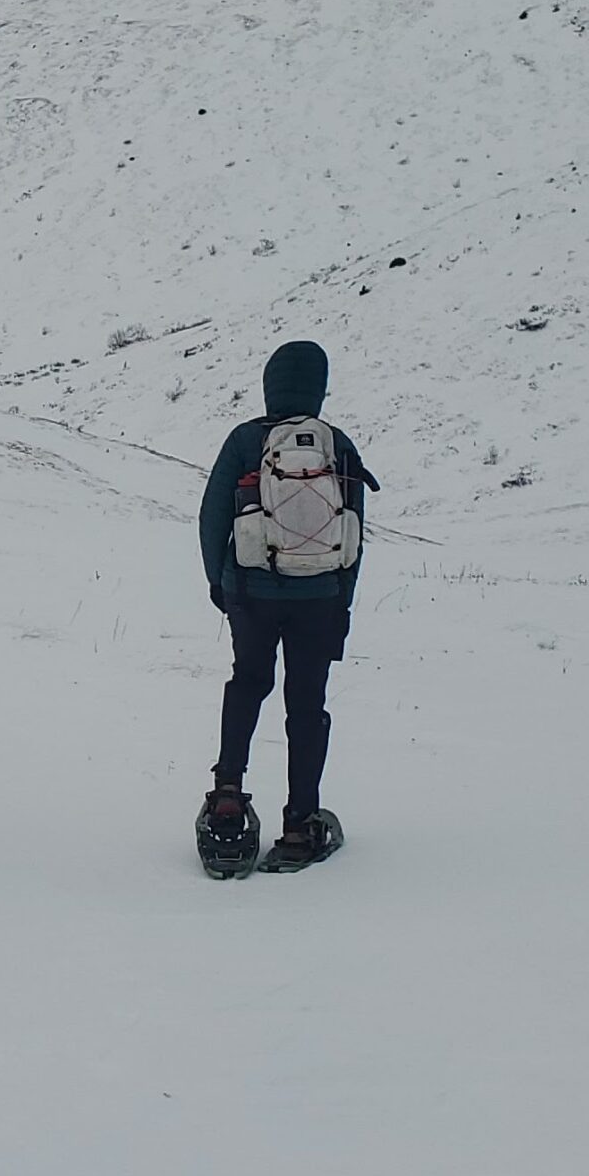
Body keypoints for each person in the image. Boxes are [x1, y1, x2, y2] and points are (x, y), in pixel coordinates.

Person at [196, 340, 376, 876]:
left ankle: (228, 795)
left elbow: (211, 518)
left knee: (248, 683)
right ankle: (299, 824)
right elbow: (356, 531)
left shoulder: (245, 440)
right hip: (319, 598)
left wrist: (220, 584)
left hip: (251, 593)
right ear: (319, 389)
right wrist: (341, 596)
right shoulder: (337, 445)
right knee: (306, 704)